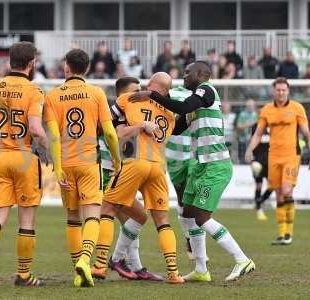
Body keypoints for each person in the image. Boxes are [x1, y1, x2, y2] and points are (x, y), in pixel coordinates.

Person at [129, 61, 255, 282]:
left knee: (202, 217)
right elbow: (174, 128)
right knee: (186, 214)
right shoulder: (195, 107)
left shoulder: (206, 90)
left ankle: (242, 259)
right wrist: (147, 123)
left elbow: (183, 107)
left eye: (188, 73)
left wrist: (151, 95)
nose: (184, 77)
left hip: (216, 166)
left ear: (201, 74)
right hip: (200, 166)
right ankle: (201, 268)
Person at [93, 72, 185, 284]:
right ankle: (173, 273)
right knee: (161, 221)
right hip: (158, 167)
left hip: (134, 162)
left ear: (151, 84)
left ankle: (100, 265)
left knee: (107, 209)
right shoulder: (171, 114)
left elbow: (105, 122)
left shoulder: (129, 99)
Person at [44, 48, 121, 288]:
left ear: (66, 67)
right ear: (87, 69)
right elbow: (109, 131)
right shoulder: (96, 93)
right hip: (89, 163)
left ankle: (78, 270)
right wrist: (117, 160)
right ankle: (86, 261)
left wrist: (57, 168)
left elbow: (54, 136)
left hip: (66, 164)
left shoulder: (52, 96)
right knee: (92, 215)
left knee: (72, 218)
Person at [0, 41, 48, 287]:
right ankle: (24, 275)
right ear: (32, 64)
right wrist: (51, 150)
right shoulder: (34, 91)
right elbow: (36, 129)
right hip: (24, 157)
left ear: (9, 62)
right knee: (26, 219)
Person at [245, 77, 310, 245]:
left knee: (287, 190)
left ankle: (289, 232)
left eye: (283, 90)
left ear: (288, 91)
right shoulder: (267, 110)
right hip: (273, 156)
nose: (281, 92)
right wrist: (249, 149)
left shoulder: (297, 108)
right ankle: (282, 234)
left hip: (291, 155)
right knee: (279, 194)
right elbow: (258, 134)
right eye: (278, 90)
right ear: (274, 91)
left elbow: (306, 133)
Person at [166, 86, 199, 260]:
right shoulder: (165, 98)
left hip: (192, 154)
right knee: (182, 199)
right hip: (173, 158)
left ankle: (196, 246)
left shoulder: (197, 97)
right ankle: (188, 236)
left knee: (193, 198)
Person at [250, 124, 273, 221]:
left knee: (272, 186)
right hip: (258, 161)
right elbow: (254, 141)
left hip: (271, 161)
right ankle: (259, 210)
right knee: (258, 185)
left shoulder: (274, 125)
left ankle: (259, 202)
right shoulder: (256, 126)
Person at [236, 99, 258, 164]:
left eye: (252, 105)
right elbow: (238, 126)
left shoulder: (256, 115)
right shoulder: (242, 114)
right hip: (243, 139)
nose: (250, 107)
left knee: (252, 158)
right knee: (242, 158)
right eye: (249, 105)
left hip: (253, 140)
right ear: (246, 106)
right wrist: (248, 125)